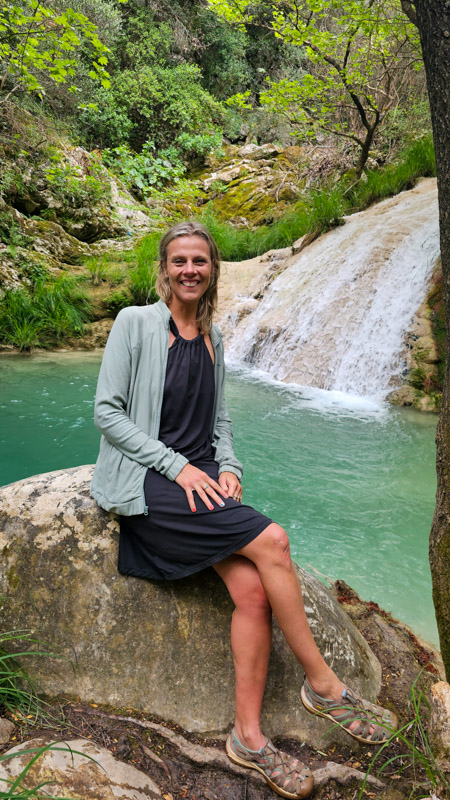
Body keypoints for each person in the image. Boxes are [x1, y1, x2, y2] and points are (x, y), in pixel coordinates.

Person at [91, 221, 397, 800]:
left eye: (199, 262)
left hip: (203, 482)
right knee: (274, 541)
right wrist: (177, 467)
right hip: (153, 485)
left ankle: (247, 739)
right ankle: (324, 687)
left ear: (212, 271)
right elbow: (108, 413)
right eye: (179, 261)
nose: (189, 270)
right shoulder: (135, 323)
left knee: (253, 592)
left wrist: (228, 465)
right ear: (165, 268)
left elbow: (219, 421)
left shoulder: (214, 337)